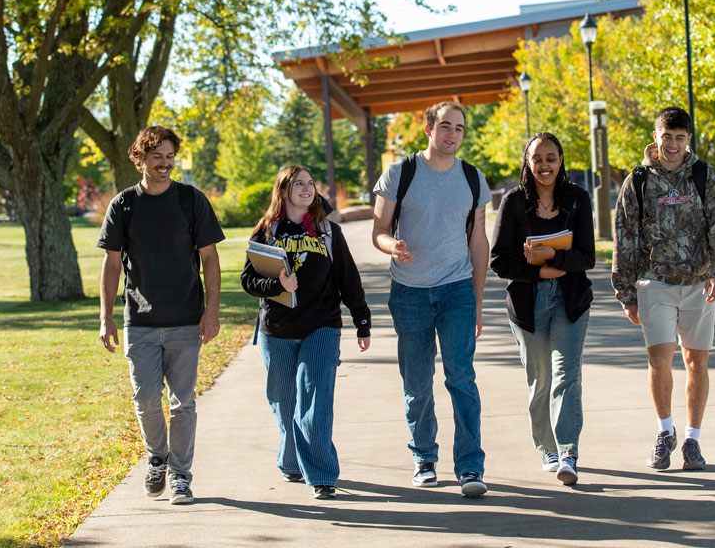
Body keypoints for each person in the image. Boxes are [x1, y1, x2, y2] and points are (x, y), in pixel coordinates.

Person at [97, 126, 225, 505]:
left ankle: (181, 476)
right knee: (146, 399)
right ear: (141, 159)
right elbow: (112, 263)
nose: (165, 164)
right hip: (140, 320)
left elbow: (210, 259)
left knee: (182, 402)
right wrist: (106, 317)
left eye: (170, 157)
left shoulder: (191, 200)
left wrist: (211, 311)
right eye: (157, 158)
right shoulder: (124, 205)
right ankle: (157, 456)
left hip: (186, 319)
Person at [372, 100, 491, 497]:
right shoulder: (399, 173)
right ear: (429, 129)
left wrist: (476, 300)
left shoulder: (473, 179)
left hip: (457, 289)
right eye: (445, 126)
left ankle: (470, 467)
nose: (452, 134)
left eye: (458, 128)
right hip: (409, 292)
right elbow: (379, 231)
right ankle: (424, 457)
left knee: (461, 378)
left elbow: (478, 243)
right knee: (418, 381)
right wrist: (393, 247)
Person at [611, 107, 715, 471]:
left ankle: (693, 440)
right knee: (659, 359)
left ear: (689, 139)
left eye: (680, 137)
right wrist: (626, 292)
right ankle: (665, 432)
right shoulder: (637, 181)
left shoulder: (705, 176)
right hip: (656, 284)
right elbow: (625, 237)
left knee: (697, 361)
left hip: (699, 285)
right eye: (667, 136)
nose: (673, 144)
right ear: (656, 136)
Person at [241, 165, 371, 501]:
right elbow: (248, 281)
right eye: (298, 184)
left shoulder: (327, 231)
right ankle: (292, 460)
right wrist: (277, 284)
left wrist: (362, 320)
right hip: (278, 330)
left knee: (315, 403)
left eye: (310, 183)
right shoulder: (267, 231)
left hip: (322, 326)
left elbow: (348, 278)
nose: (306, 188)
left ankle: (323, 475)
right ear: (283, 190)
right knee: (284, 404)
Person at [489, 132, 595, 485]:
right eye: (537, 158)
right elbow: (499, 261)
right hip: (527, 302)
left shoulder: (579, 199)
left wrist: (552, 255)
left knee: (567, 376)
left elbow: (587, 256)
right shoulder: (514, 202)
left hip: (570, 300)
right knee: (540, 380)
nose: (544, 165)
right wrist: (541, 270)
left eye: (551, 158)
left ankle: (567, 453)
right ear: (527, 162)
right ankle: (546, 446)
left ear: (561, 160)